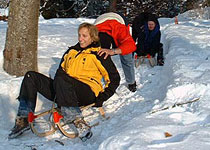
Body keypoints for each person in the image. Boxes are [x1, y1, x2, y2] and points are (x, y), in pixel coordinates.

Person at [8, 23, 120, 140]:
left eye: (84, 36)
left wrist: (103, 97)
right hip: (64, 89)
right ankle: (24, 118)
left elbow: (115, 78)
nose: (80, 39)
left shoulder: (99, 54)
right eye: (79, 35)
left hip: (86, 92)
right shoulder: (71, 52)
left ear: (93, 37)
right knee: (31, 76)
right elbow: (60, 72)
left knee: (63, 79)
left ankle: (77, 120)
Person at [94, 12, 137, 92]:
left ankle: (131, 82)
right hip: (102, 20)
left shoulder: (120, 29)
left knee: (126, 57)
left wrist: (113, 51)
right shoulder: (92, 34)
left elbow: (131, 45)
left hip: (119, 19)